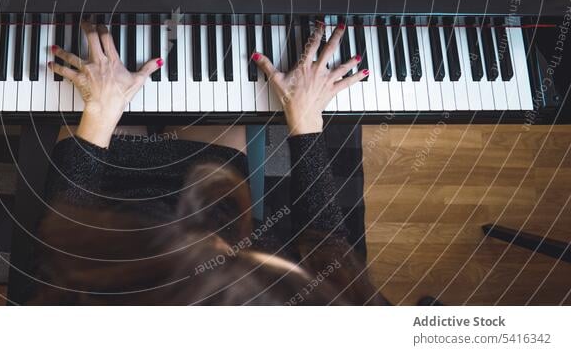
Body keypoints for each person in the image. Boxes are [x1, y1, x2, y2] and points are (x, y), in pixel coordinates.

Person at [30, 19, 385, 305]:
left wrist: (99, 111)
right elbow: (329, 253)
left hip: (105, 213)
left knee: (104, 78)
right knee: (209, 95)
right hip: (218, 207)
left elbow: (60, 252)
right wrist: (306, 120)